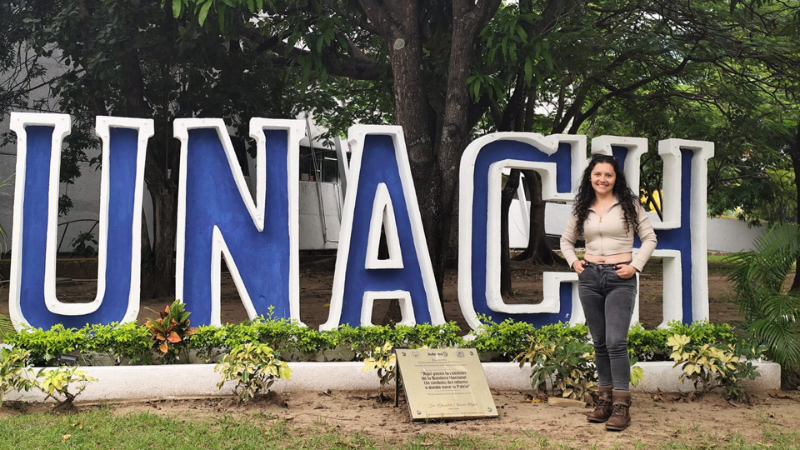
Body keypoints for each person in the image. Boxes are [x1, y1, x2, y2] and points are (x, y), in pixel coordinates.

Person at [560, 154, 657, 431]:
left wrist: (635, 266)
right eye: (598, 174)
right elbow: (566, 241)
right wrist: (574, 261)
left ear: (616, 179)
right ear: (590, 177)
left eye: (608, 175)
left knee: (616, 342)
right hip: (590, 277)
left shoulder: (629, 205)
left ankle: (621, 405)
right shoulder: (583, 207)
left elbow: (649, 238)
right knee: (600, 342)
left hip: (620, 277)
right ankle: (603, 400)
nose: (602, 179)